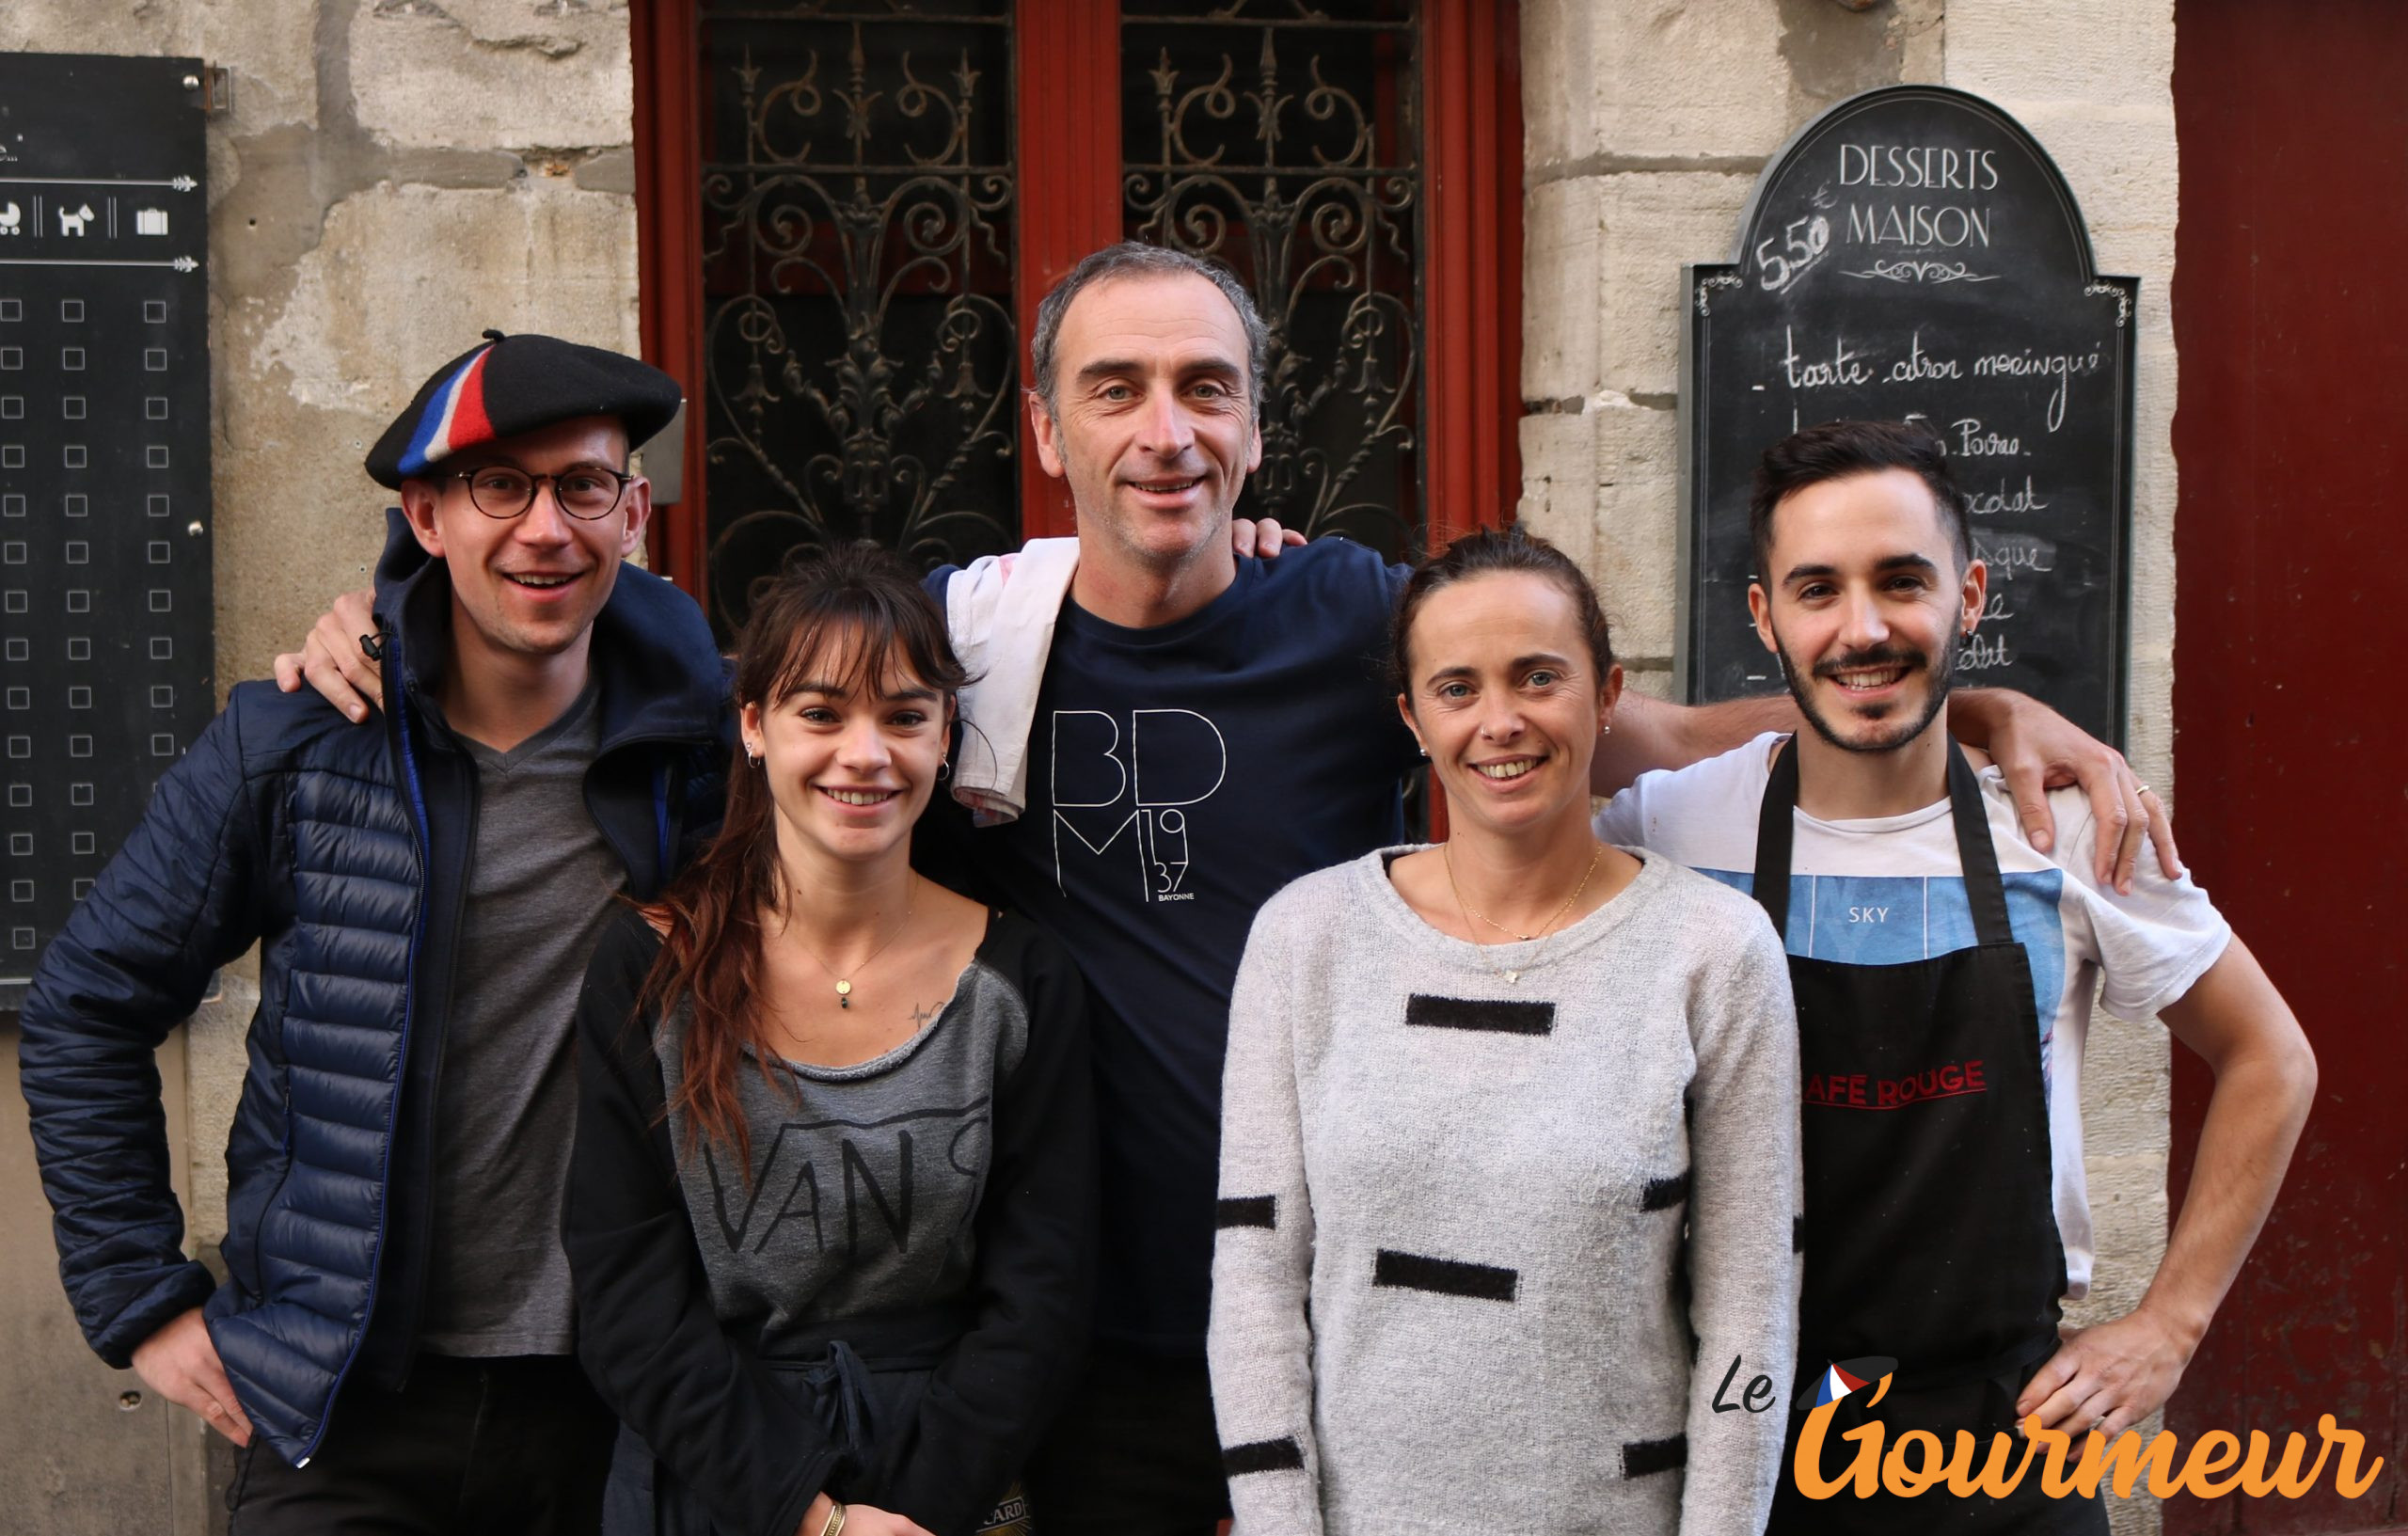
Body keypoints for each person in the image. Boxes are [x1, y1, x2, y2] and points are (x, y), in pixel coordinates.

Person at [280, 245, 2168, 1535]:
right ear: (1047, 436)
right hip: (1069, 1338)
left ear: (1256, 431)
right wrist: (386, 624)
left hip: (1366, 1326)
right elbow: (732, 712)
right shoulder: (962, 645)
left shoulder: (1353, 613)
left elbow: (1618, 731)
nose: (1160, 427)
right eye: (1114, 388)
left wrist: (1958, 696)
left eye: (1202, 389)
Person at [17, 332, 725, 1531]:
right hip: (345, 1403)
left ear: (635, 510)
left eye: (583, 486)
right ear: (427, 516)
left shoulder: (710, 748)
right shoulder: (298, 738)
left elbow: (899, 702)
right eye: (499, 486)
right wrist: (140, 1296)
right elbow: (86, 1006)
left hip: (622, 1406)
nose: (545, 527)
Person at [1594, 420, 2317, 1532]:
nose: (1862, 627)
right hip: (1754, 1435)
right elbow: (1505, 721)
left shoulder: (2065, 829)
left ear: (1969, 595)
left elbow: (2271, 1057)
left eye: (1901, 581)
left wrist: (2169, 1325)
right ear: (1764, 616)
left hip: (2002, 1449)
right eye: (1816, 589)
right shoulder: (1675, 825)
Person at [1208, 528, 1799, 1535]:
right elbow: (1256, 1277)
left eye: (1537, 677)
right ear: (1411, 717)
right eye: (1457, 687)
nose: (1501, 721)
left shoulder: (1712, 950)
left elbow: (1751, 1306)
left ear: (1605, 694)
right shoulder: (1306, 940)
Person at [562, 545, 1094, 1536]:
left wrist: (911, 1509)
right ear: (755, 727)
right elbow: (625, 1290)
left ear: (945, 741)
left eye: (903, 715)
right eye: (821, 713)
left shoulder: (1020, 978)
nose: (866, 753)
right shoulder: (649, 967)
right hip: (716, 1484)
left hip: (951, 1486)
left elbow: (1044, 1293)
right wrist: (813, 1517)